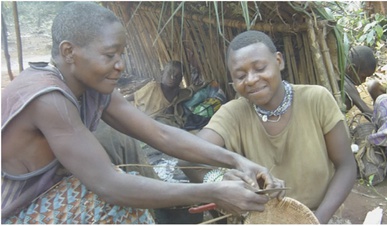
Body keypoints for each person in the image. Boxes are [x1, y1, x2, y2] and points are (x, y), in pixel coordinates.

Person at [1, 3, 285, 224]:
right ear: (69, 52)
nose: (120, 65)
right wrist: (213, 191)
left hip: (57, 195)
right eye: (110, 55)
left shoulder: (90, 86)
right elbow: (108, 185)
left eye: (121, 54)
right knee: (114, 202)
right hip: (19, 213)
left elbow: (159, 133)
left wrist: (237, 161)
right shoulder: (49, 98)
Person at [180, 30, 357, 224]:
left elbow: (346, 165)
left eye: (260, 68)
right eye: (240, 75)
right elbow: (187, 160)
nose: (251, 79)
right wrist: (218, 181)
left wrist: (314, 221)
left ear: (279, 61)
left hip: (320, 215)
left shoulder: (316, 99)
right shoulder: (232, 114)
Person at [342, 46, 377, 117]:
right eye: (363, 77)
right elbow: (367, 112)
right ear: (351, 69)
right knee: (348, 101)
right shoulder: (346, 85)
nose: (364, 81)